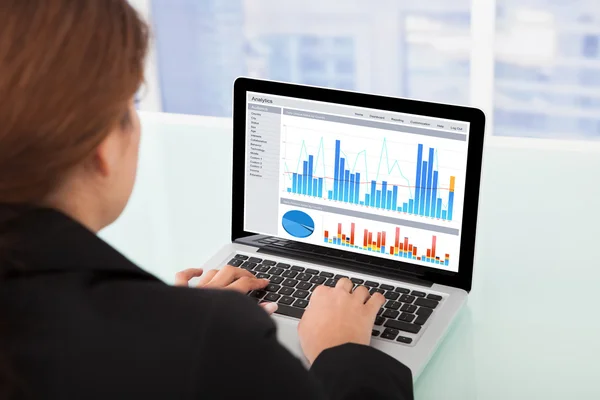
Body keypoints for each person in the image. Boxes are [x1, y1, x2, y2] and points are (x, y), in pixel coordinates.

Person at [0, 1, 413, 399]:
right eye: (133, 103)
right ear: (103, 147)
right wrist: (342, 352)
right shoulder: (213, 342)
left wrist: (159, 315)